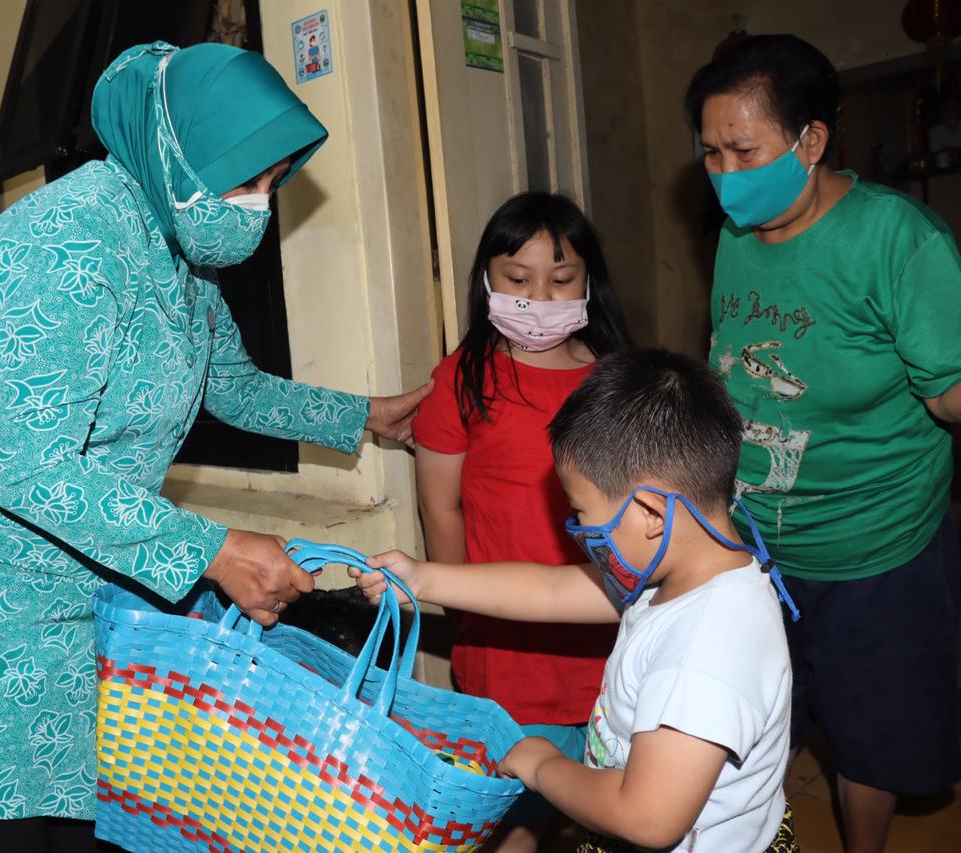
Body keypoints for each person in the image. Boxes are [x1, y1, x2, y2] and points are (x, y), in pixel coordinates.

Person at [0, 41, 431, 850]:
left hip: (56, 598)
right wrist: (218, 548)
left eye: (273, 183)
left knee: (81, 820)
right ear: (176, 155)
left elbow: (231, 383)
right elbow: (35, 470)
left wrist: (363, 414)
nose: (260, 205)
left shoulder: (179, 242)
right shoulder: (66, 249)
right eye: (246, 181)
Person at [687, 34, 961, 853]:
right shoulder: (738, 237)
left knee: (870, 732)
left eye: (745, 150)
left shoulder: (897, 242)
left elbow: (948, 386)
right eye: (710, 155)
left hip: (878, 551)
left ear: (811, 139)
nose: (727, 175)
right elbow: (732, 365)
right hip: (757, 546)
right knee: (757, 717)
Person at [356, 349, 801, 852]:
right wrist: (425, 579)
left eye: (581, 511)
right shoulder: (680, 565)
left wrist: (545, 766)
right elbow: (549, 590)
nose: (580, 531)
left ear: (652, 513)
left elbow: (648, 817)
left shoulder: (706, 648)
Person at [411, 191, 630, 851]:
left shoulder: (616, 379)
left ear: (589, 283)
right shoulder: (460, 379)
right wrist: (463, 607)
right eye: (518, 279)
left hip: (605, 629)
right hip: (504, 639)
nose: (539, 296)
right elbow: (439, 507)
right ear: (487, 281)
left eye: (561, 280)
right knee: (510, 808)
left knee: (609, 792)